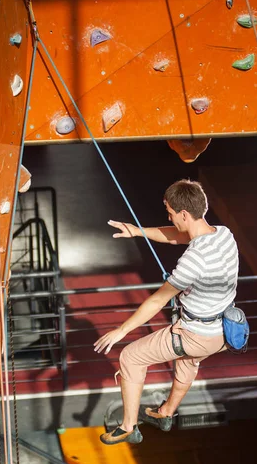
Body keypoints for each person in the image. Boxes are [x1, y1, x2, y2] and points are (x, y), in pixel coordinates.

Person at [94, 179, 239, 445]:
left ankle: (127, 427)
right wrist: (137, 231)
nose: (169, 218)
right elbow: (177, 236)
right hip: (224, 333)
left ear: (184, 214)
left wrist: (121, 330)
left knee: (131, 357)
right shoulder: (223, 234)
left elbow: (156, 301)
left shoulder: (194, 260)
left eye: (171, 214)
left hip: (195, 334)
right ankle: (165, 412)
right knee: (187, 359)